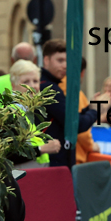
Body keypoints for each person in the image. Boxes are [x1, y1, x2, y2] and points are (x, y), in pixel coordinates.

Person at [39, 39, 98, 168]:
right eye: (60, 60)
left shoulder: (50, 85)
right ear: (46, 60)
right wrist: (95, 111)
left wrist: (90, 108)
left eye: (67, 61)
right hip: (54, 162)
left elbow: (68, 118)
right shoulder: (49, 88)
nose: (65, 65)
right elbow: (75, 124)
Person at [9, 60, 62, 166]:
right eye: (26, 82)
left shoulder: (32, 112)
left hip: (36, 178)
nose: (32, 86)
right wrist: (41, 149)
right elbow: (8, 155)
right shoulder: (10, 114)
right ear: (13, 86)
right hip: (20, 180)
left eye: (35, 81)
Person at [59, 58, 100, 164]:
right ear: (82, 73)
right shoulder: (76, 94)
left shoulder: (54, 88)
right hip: (74, 158)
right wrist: (92, 145)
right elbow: (81, 131)